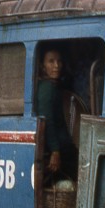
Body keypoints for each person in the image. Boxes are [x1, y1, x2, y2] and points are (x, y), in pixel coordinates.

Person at [35, 47, 76, 176]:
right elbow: (47, 120)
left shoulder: (54, 86)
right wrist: (55, 151)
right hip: (57, 147)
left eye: (59, 61)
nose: (56, 66)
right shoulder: (47, 89)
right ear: (42, 66)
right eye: (51, 62)